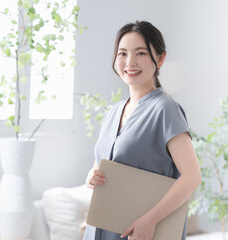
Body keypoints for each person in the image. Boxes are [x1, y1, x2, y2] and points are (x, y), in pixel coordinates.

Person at [83, 20, 201, 240]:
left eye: (141, 53)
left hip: (142, 232)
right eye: (122, 53)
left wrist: (150, 220)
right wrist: (92, 176)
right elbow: (102, 163)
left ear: (160, 59)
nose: (130, 62)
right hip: (101, 227)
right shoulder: (113, 112)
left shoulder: (166, 109)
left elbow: (192, 176)